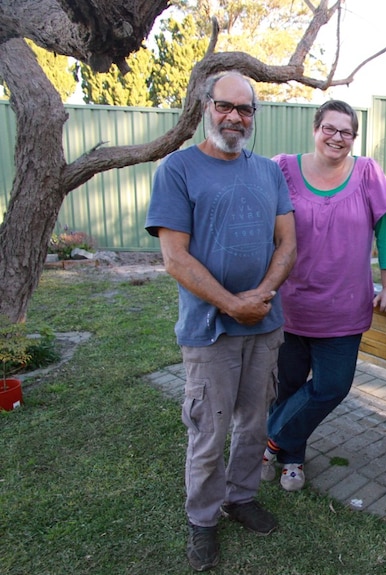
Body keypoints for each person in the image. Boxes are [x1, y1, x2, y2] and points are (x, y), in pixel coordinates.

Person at [145, 71, 297, 572]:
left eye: (245, 109)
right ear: (205, 107)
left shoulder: (269, 173)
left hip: (265, 324)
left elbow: (287, 244)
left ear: (254, 115)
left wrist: (263, 295)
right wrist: (234, 304)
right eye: (225, 106)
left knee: (254, 424)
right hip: (210, 330)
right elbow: (175, 258)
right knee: (208, 433)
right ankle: (204, 520)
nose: (234, 116)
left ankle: (241, 497)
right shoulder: (179, 169)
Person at [262, 100, 386, 492]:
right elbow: (262, 225)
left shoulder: (368, 173)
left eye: (346, 132)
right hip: (289, 306)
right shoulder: (282, 168)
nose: (336, 137)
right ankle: (292, 459)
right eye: (330, 128)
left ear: (354, 138)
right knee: (289, 386)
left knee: (332, 387)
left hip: (343, 309)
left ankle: (269, 439)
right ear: (315, 128)